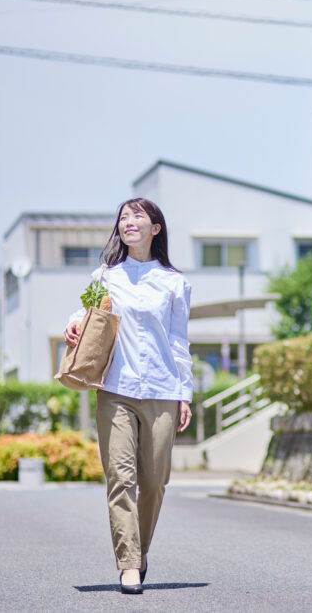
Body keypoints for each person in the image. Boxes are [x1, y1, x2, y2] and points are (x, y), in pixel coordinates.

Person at [64, 197, 193, 595]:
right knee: (121, 478)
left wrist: (184, 393)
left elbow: (179, 341)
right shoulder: (106, 276)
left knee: (154, 483)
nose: (128, 222)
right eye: (123, 217)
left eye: (138, 216)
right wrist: (73, 325)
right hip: (115, 389)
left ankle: (139, 551)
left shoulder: (174, 283)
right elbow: (87, 313)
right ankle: (129, 564)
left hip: (162, 389)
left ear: (156, 228)